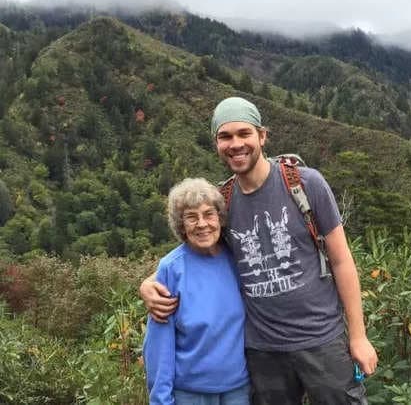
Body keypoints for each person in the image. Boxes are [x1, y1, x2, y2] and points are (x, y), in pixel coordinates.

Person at [141, 97, 378, 404]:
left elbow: (342, 261)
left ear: (262, 136)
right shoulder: (222, 202)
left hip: (321, 340)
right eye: (225, 137)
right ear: (216, 144)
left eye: (244, 133)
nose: (236, 144)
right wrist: (149, 283)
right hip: (263, 353)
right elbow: (195, 247)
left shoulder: (306, 184)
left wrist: (358, 336)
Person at [143, 178, 249, 405]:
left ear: (220, 218)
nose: (202, 224)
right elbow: (159, 345)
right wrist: (160, 399)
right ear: (181, 225)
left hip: (238, 391)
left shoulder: (236, 260)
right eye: (191, 217)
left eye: (208, 214)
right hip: (189, 395)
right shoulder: (171, 269)